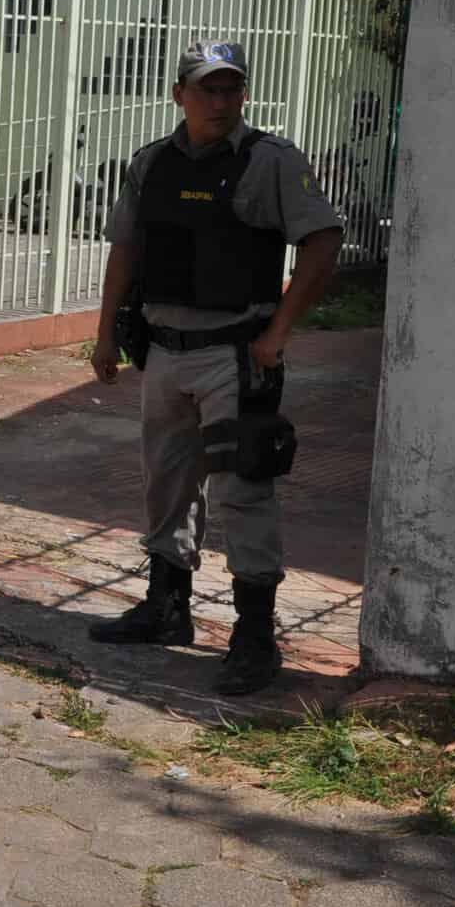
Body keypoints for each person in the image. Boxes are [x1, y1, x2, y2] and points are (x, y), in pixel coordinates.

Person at [87, 41, 343, 696]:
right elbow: (126, 249)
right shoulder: (151, 165)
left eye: (231, 89)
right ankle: (165, 608)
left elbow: (322, 240)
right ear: (180, 95)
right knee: (166, 485)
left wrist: (277, 334)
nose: (221, 101)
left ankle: (253, 637)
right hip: (164, 352)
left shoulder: (270, 162)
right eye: (207, 89)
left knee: (243, 491)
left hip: (237, 354)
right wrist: (104, 335)